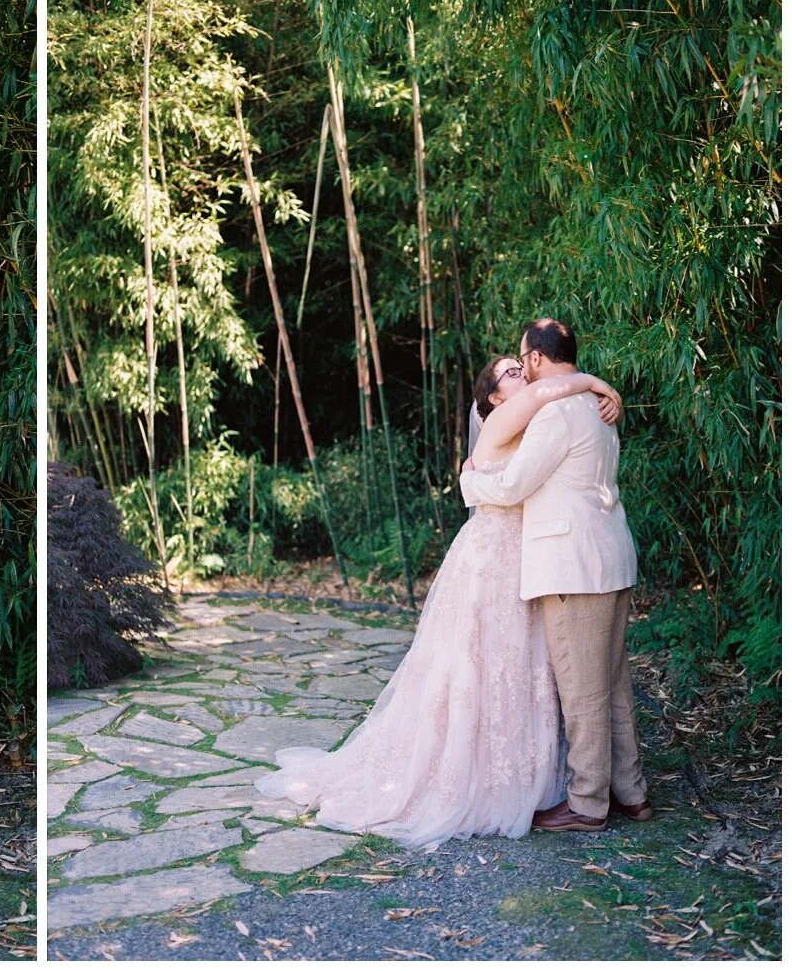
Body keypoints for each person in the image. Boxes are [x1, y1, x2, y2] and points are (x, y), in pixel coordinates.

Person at [255, 353, 622, 850]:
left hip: (528, 560)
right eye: (511, 372)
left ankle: (525, 774)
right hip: (494, 559)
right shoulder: (509, 417)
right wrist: (596, 383)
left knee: (519, 667)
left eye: (521, 367)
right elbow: (536, 414)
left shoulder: (540, 421)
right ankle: (467, 775)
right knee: (478, 665)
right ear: (493, 397)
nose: (523, 375)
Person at [461, 318, 649, 833]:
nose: (524, 370)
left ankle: (587, 804)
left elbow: (516, 485)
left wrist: (470, 483)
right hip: (611, 555)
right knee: (613, 684)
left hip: (574, 567)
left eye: (524, 360)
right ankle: (632, 793)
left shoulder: (556, 413)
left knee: (582, 689)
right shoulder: (598, 404)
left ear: (538, 358)